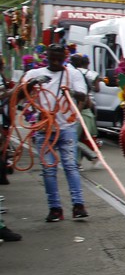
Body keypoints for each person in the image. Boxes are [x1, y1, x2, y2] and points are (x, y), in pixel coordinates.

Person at [20, 44, 89, 223]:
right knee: (48, 169)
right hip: (44, 129)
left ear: (65, 58)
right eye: (53, 58)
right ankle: (55, 208)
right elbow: (19, 94)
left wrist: (71, 92)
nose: (56, 62)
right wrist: (33, 83)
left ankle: (78, 205)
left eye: (59, 58)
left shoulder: (73, 74)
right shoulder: (35, 73)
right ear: (47, 57)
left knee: (70, 166)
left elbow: (83, 96)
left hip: (66, 128)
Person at [69, 53, 100, 165]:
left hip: (80, 110)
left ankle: (89, 156)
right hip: (90, 108)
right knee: (81, 137)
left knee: (72, 138)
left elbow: (83, 98)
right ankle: (78, 162)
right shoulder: (92, 74)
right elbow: (97, 89)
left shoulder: (74, 74)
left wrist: (76, 113)